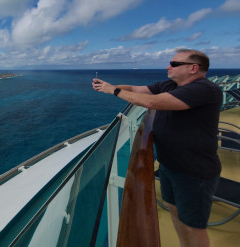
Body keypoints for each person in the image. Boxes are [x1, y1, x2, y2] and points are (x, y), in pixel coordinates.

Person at [92, 49, 222, 246]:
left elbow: (154, 102)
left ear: (194, 68)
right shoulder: (171, 85)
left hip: (195, 172)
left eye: (174, 64)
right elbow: (136, 90)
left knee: (194, 228)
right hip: (170, 166)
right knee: (177, 217)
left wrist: (115, 91)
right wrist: (109, 86)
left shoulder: (204, 89)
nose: (168, 67)